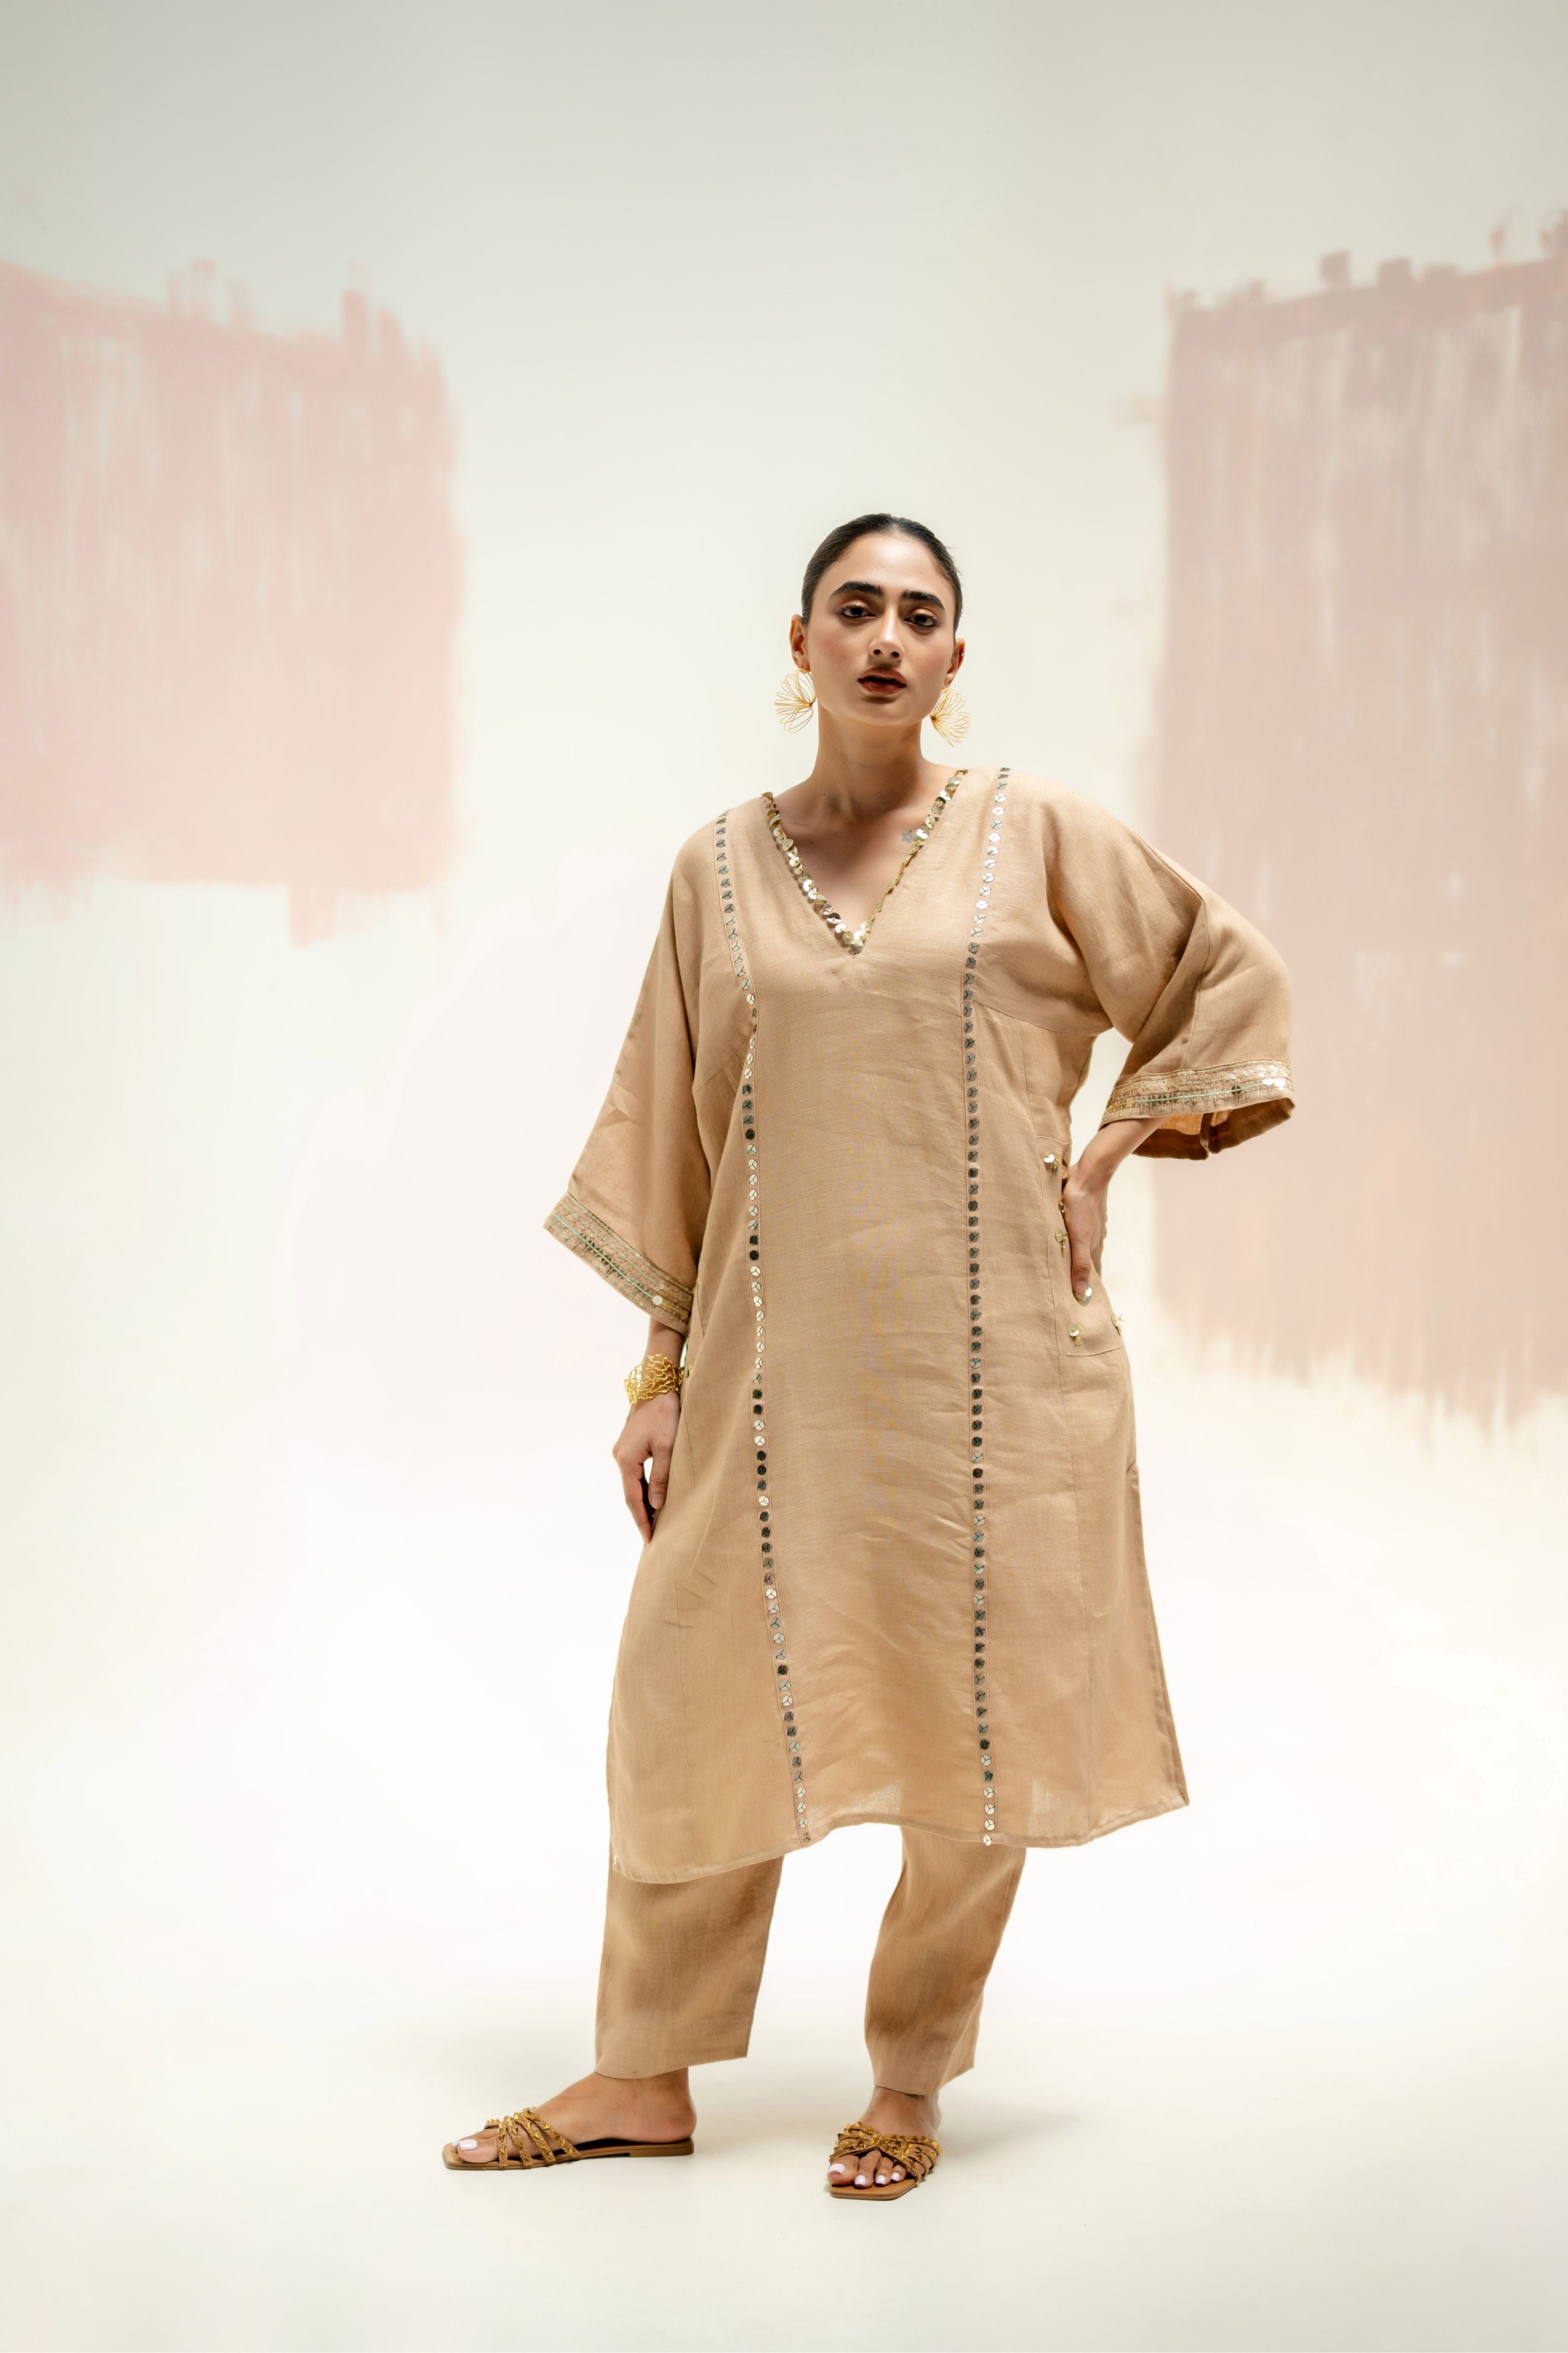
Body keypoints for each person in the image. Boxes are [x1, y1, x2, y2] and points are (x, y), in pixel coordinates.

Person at [443, 514, 1293, 2198]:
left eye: (921, 613)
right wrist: (659, 1372)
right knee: (686, 1696)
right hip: (780, 1377)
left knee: (975, 1716)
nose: (888, 636)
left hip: (1001, 1370)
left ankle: (909, 2082)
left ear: (956, 657)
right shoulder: (715, 869)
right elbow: (679, 1136)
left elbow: (1224, 974)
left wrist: (1108, 1152)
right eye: (857, 608)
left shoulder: (1039, 834)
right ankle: (641, 2073)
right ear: (803, 641)